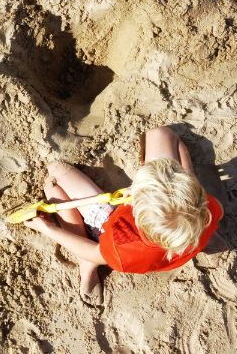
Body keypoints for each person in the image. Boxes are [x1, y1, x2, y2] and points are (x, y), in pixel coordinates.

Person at [25, 126, 223, 305]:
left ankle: (87, 266)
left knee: (54, 175)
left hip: (108, 230)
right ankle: (203, 235)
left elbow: (95, 251)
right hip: (182, 240)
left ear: (135, 209)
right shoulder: (207, 210)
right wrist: (187, 176)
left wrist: (47, 228)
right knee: (161, 135)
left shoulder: (123, 246)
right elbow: (184, 174)